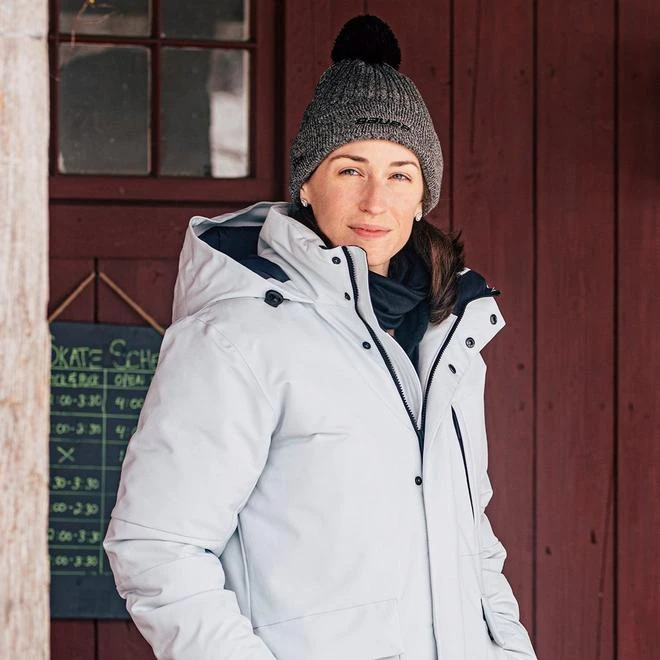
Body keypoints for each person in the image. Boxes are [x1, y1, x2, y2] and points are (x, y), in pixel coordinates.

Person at [104, 15, 537, 660]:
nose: (375, 200)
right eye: (349, 170)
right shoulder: (238, 336)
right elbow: (158, 547)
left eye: (400, 174)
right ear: (307, 184)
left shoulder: (449, 338)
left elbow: (468, 536)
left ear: (424, 195)